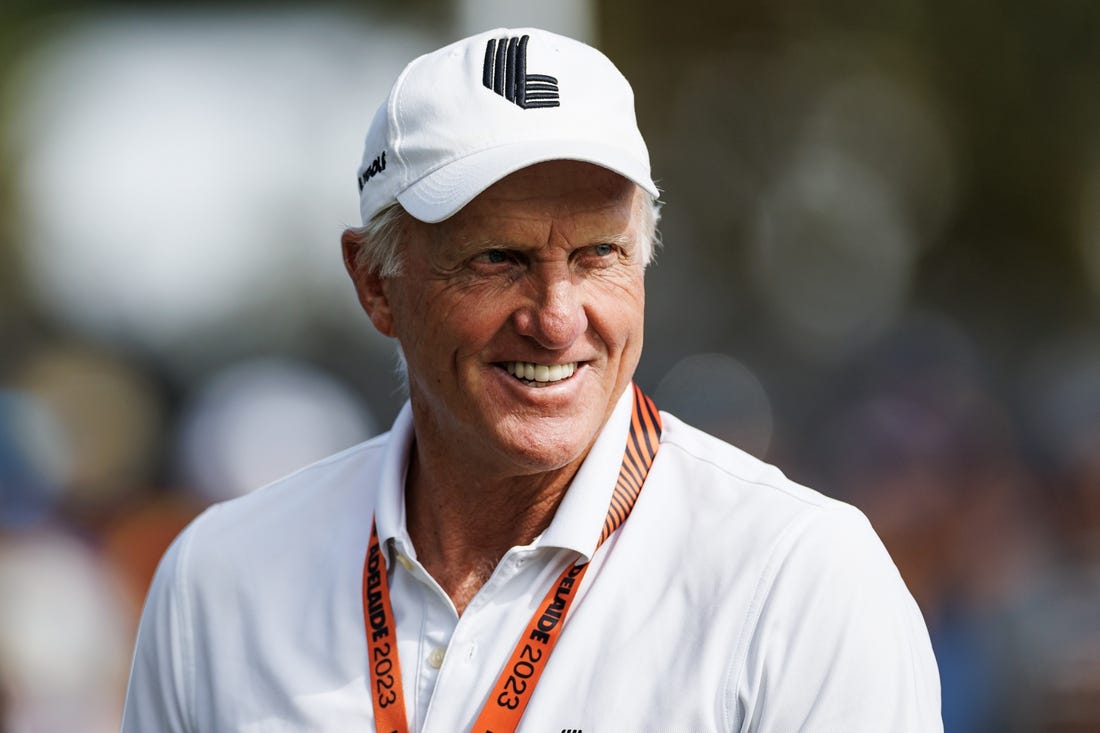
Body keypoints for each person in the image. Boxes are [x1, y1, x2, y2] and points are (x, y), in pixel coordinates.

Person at [121, 27, 942, 732]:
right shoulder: (220, 581)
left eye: (598, 255)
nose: (556, 318)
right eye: (498, 259)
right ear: (376, 283)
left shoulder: (797, 580)